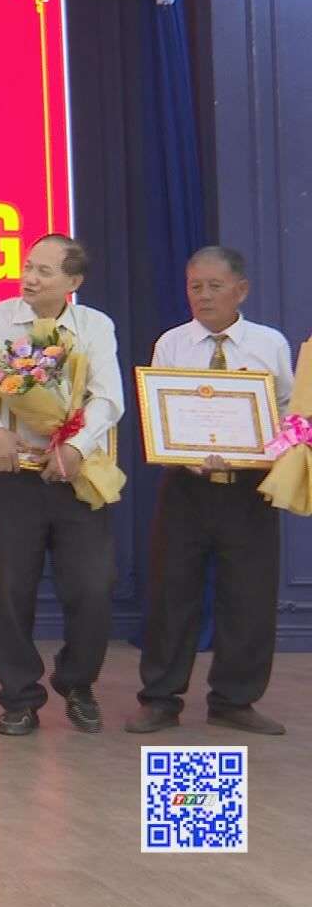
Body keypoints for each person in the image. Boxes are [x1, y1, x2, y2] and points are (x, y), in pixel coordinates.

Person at [0, 234, 124, 736]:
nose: (29, 278)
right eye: (28, 266)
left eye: (44, 271)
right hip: (13, 477)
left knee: (93, 585)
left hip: (76, 476)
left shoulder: (95, 326)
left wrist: (76, 446)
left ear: (73, 281)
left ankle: (78, 681)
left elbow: (108, 398)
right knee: (11, 590)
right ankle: (20, 698)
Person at [128, 246, 295, 736]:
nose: (203, 296)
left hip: (250, 489)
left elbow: (290, 412)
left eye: (214, 286)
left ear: (241, 290)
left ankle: (234, 700)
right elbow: (159, 412)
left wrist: (264, 450)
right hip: (186, 487)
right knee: (171, 592)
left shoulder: (269, 344)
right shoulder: (172, 343)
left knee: (249, 596)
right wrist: (186, 453)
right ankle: (160, 699)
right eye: (194, 286)